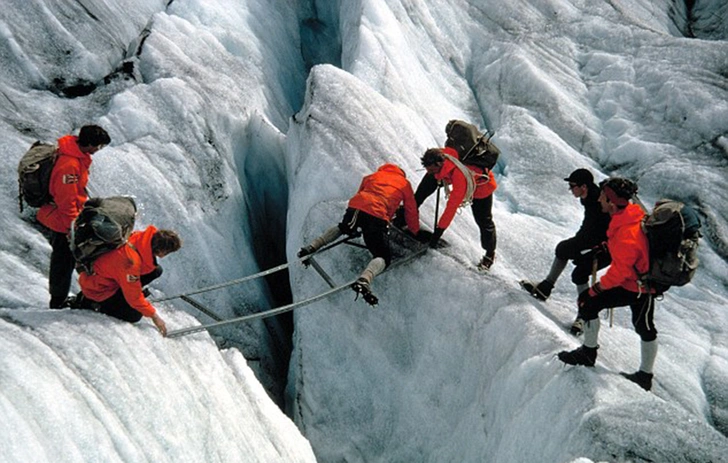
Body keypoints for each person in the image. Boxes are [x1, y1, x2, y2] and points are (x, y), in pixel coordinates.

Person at [557, 178, 658, 391]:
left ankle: (588, 352)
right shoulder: (628, 216)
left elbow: (620, 271)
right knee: (644, 327)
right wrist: (605, 246)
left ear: (612, 201)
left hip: (636, 286)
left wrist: (597, 289)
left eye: (603, 196)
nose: (599, 199)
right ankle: (645, 376)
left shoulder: (627, 232)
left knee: (588, 303)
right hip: (641, 284)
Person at [297, 163, 421, 305]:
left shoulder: (372, 176)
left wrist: (358, 224)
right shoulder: (404, 184)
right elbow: (411, 210)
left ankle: (312, 246)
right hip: (377, 215)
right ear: (401, 174)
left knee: (343, 228)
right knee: (383, 256)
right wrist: (414, 231)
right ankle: (365, 279)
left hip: (356, 207)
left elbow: (360, 195)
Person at [520, 168, 612, 334]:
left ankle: (583, 316)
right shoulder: (589, 197)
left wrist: (587, 249)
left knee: (579, 273)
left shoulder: (598, 201)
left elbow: (601, 230)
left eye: (572, 186)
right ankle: (546, 288)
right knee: (564, 251)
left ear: (583, 186)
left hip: (604, 250)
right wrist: (578, 245)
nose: (570, 189)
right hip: (592, 243)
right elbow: (588, 228)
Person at [37, 125, 111, 308]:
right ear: (90, 144)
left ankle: (62, 297)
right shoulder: (69, 165)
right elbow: (66, 200)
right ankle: (57, 301)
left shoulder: (77, 157)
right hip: (63, 221)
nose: (98, 150)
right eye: (99, 146)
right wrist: (72, 226)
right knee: (62, 262)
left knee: (67, 260)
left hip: (71, 216)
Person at [74, 227, 182, 337]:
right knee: (134, 315)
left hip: (102, 275)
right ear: (162, 251)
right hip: (97, 289)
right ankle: (91, 303)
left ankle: (123, 293)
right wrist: (154, 316)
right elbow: (133, 297)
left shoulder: (139, 238)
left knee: (156, 270)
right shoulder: (131, 263)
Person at [416, 147, 497, 270]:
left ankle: (489, 255)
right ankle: (404, 214)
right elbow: (434, 172)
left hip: (481, 187)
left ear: (439, 164)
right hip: (450, 173)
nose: (430, 172)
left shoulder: (460, 176)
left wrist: (438, 233)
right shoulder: (441, 157)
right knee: (427, 184)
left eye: (432, 169)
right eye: (428, 169)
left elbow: (451, 208)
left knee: (484, 221)